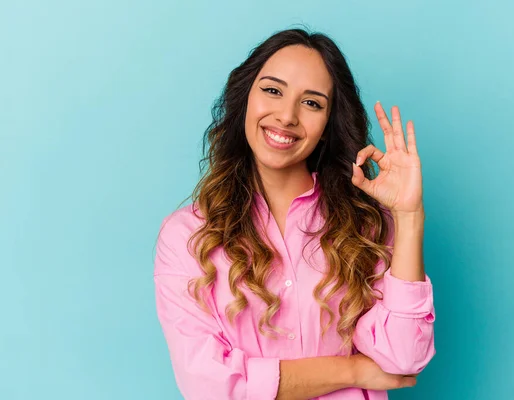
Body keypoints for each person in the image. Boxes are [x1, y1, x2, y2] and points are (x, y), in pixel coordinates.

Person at [153, 27, 435, 400]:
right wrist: (351, 369)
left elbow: (404, 357)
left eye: (312, 103)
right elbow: (210, 386)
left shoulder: (366, 225)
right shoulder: (186, 236)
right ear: (245, 101)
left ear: (327, 125)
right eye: (272, 90)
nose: (286, 115)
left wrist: (409, 216)